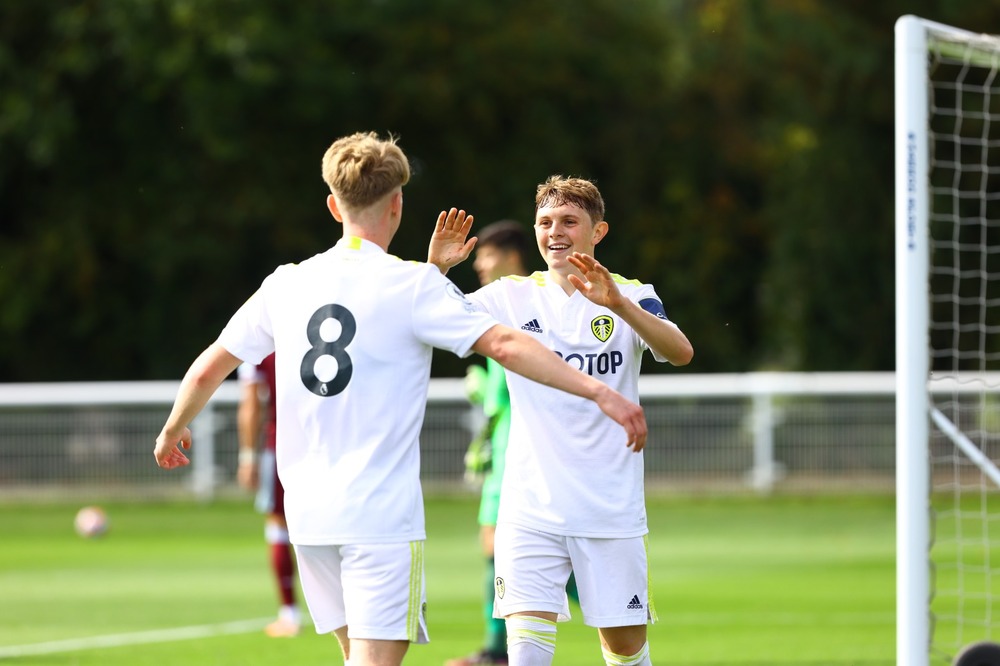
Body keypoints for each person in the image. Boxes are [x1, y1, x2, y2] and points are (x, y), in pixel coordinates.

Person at [153, 132, 648, 666]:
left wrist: (174, 426)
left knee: (355, 657)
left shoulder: (286, 282)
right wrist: (600, 391)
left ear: (332, 205)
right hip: (379, 516)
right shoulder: (410, 285)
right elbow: (505, 345)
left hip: (309, 515)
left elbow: (212, 364)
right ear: (397, 205)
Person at [429, 175, 693, 666]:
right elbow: (427, 318)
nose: (555, 232)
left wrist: (618, 305)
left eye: (569, 221)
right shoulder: (509, 296)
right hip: (529, 510)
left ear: (598, 231)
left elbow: (679, 351)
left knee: (624, 650)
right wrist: (436, 269)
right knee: (526, 652)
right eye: (545, 222)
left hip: (609, 510)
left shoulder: (632, 293)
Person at [446, 220, 533, 666]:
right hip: (505, 445)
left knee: (503, 547)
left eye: (487, 255)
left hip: (519, 447)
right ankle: (495, 649)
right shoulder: (500, 306)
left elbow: (509, 389)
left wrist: (482, 388)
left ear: (511, 256)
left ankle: (497, 651)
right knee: (497, 546)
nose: (479, 264)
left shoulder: (523, 306)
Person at [236, 352, 302, 637]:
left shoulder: (258, 345)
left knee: (278, 527)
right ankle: (350, 611)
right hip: (332, 447)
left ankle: (289, 614)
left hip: (282, 447)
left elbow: (251, 404)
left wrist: (248, 457)